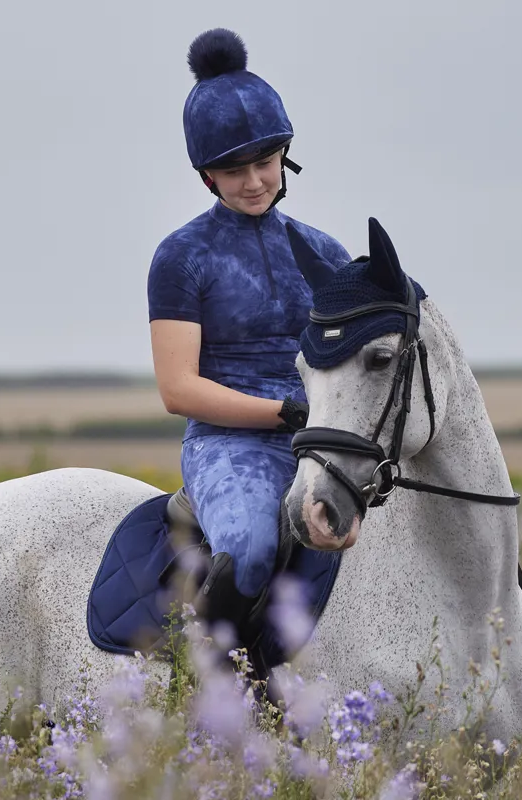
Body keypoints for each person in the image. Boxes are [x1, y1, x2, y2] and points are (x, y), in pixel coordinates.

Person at [147, 28, 351, 648]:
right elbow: (178, 389)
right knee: (253, 549)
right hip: (229, 447)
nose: (255, 181)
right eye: (234, 170)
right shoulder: (181, 257)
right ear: (208, 175)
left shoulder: (326, 252)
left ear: (284, 156)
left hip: (326, 437)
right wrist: (283, 411)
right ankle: (206, 683)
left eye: (265, 162)